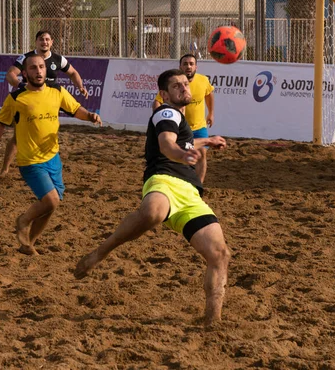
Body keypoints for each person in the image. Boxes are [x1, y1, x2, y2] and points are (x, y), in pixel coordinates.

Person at [75, 69, 230, 327]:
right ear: (164, 94)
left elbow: (184, 143)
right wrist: (181, 155)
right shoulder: (166, 112)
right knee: (153, 213)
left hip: (190, 193)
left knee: (220, 254)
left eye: (185, 84)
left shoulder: (181, 119)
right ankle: (100, 252)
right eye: (176, 85)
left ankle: (212, 321)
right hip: (164, 179)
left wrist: (206, 142)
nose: (183, 88)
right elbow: (167, 144)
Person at [0, 53, 102, 255]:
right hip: (30, 161)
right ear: (24, 73)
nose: (39, 71)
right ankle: (23, 220)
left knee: (51, 205)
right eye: (33, 68)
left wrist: (90, 116)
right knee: (51, 200)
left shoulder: (56, 91)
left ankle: (28, 244)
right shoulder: (16, 98)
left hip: (53, 158)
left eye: (41, 67)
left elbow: (75, 109)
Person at [0, 30, 90, 176]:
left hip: (49, 101)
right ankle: (5, 169)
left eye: (47, 39)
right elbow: (10, 74)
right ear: (36, 42)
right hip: (30, 101)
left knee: (48, 132)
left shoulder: (58, 59)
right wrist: (21, 86)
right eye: (41, 39)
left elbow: (73, 72)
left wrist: (80, 86)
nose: (44, 42)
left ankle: (44, 167)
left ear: (52, 42)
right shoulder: (27, 58)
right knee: (17, 137)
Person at [153, 54, 214, 183]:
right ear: (180, 66)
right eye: (185, 64)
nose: (188, 66)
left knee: (202, 155)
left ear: (196, 66)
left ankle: (198, 186)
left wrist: (211, 113)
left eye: (191, 63)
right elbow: (157, 101)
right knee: (175, 156)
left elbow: (209, 95)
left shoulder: (203, 80)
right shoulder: (172, 85)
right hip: (179, 129)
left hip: (199, 126)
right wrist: (159, 119)